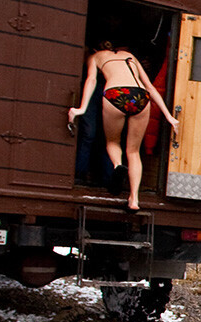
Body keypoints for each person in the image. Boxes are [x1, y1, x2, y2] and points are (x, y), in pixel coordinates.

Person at [68, 41, 178, 211]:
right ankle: (134, 199)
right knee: (133, 151)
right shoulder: (130, 56)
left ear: (97, 49)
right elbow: (150, 86)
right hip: (140, 96)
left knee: (113, 142)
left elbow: (91, 80)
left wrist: (81, 109)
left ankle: (118, 166)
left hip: (116, 93)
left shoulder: (95, 57)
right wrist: (169, 116)